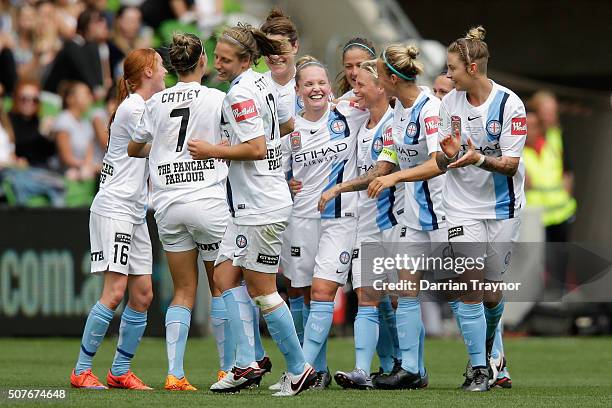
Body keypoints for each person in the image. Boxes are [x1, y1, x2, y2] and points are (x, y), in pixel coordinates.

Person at [187, 23, 315, 397]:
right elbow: (287, 126)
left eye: (226, 60)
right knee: (223, 279)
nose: (218, 65)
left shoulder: (240, 94)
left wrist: (213, 150)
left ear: (245, 59)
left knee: (262, 291)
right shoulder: (262, 84)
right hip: (249, 205)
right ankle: (246, 364)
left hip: (261, 207)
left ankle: (298, 368)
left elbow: (256, 148)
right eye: (218, 57)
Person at [128, 33, 230, 391]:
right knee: (221, 288)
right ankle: (226, 370)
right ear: (202, 60)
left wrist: (163, 151)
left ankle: (174, 373)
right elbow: (239, 144)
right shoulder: (217, 98)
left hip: (168, 203)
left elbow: (133, 146)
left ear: (173, 65)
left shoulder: (155, 103)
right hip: (207, 200)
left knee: (183, 290)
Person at [435, 26, 527, 391]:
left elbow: (511, 164)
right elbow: (444, 157)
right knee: (468, 283)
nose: (447, 75)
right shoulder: (448, 103)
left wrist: (475, 159)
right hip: (460, 207)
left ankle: (493, 354)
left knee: (491, 291)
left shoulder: (509, 104)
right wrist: (451, 153)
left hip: (503, 208)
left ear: (472, 68)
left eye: (452, 68)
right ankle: (478, 369)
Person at [69, 47, 166, 390]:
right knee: (115, 291)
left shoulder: (142, 106)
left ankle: (120, 371)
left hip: (135, 210)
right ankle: (81, 370)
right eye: (160, 64)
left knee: (143, 295)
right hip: (115, 208)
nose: (165, 70)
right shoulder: (134, 107)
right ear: (148, 72)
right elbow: (160, 140)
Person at [281, 56, 369, 389]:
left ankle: (301, 370)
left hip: (340, 218)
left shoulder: (348, 113)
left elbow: (384, 102)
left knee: (321, 292)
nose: (316, 89)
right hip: (301, 218)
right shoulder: (289, 128)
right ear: (298, 89)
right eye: (308, 84)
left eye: (321, 83)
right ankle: (316, 369)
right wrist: (283, 183)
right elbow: (276, 169)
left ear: (329, 87)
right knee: (299, 291)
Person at [317, 60, 403, 390]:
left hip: (392, 222)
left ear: (381, 87)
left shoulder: (394, 123)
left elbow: (381, 171)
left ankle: (412, 366)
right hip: (366, 225)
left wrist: (338, 188)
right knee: (368, 297)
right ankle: (363, 371)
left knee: (400, 299)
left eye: (362, 83)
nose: (356, 88)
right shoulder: (364, 124)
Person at [259, 6, 306, 350]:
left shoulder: (310, 85)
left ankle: (306, 361)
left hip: (305, 197)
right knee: (255, 280)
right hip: (264, 194)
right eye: (269, 49)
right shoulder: (253, 87)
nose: (276, 55)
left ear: (296, 46)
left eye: (281, 47)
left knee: (299, 283)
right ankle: (255, 358)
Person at [52, 81, 99, 181]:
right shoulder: (63, 119)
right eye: (86, 94)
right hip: (63, 174)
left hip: (83, 170)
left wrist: (89, 166)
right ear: (71, 99)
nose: (90, 98)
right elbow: (66, 158)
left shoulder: (86, 123)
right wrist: (87, 167)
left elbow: (89, 154)